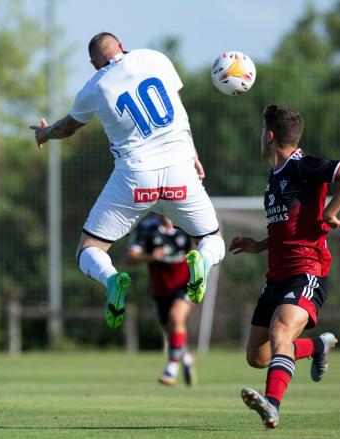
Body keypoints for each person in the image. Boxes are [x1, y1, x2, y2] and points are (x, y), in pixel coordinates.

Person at [29, 32, 225, 329]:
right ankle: (202, 261)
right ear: (121, 46)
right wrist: (194, 154)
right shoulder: (155, 58)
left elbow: (67, 128)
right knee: (212, 239)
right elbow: (179, 114)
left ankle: (111, 280)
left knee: (89, 249)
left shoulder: (95, 86)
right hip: (179, 171)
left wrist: (45, 133)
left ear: (95, 64)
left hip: (135, 177)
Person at [229, 104, 340, 429]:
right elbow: (286, 226)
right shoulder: (275, 176)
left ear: (270, 135)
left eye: (262, 131)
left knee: (280, 332)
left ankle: (272, 406)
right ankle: (318, 345)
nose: (260, 137)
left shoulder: (302, 166)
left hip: (307, 271)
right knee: (258, 357)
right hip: (276, 274)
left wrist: (330, 212)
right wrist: (258, 245)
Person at [126, 214, 196, 386]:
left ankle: (171, 368)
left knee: (175, 318)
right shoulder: (147, 228)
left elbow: (205, 246)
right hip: (160, 289)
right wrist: (150, 256)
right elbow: (130, 258)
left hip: (186, 284)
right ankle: (185, 355)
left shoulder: (186, 224)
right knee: (170, 329)